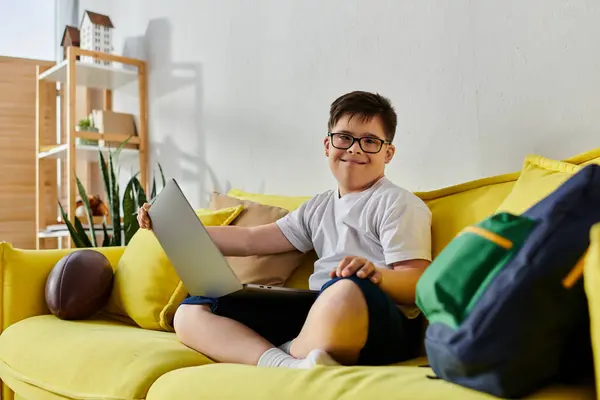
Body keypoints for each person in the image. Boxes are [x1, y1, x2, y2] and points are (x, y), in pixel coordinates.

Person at [137, 90, 432, 369]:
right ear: (328, 145)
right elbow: (251, 240)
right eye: (344, 138)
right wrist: (172, 226)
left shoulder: (398, 203)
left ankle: (293, 350)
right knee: (191, 313)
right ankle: (283, 363)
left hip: (377, 318)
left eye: (369, 141)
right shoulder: (318, 207)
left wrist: (375, 274)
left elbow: (417, 283)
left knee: (343, 292)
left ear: (388, 153)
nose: (354, 149)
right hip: (318, 308)